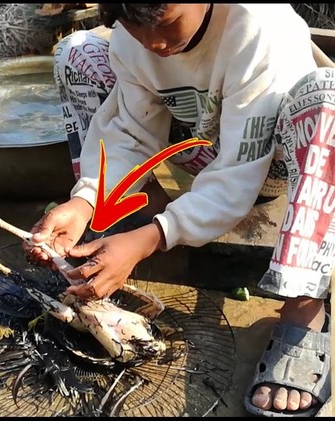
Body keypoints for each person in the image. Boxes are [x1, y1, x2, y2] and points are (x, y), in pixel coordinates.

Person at [25, 3, 333, 417]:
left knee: (327, 99)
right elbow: (131, 132)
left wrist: (156, 235)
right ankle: (138, 213)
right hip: (202, 147)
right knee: (75, 52)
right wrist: (86, 201)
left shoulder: (259, 26)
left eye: (165, 22)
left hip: (277, 160)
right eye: (133, 26)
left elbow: (240, 173)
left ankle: (304, 307)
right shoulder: (136, 38)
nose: (154, 43)